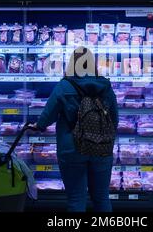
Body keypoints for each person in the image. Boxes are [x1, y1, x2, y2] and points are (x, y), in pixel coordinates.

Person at [34, 46, 118, 212]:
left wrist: (38, 126)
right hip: (101, 147)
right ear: (92, 64)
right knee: (101, 197)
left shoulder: (64, 86)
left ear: (72, 64)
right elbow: (114, 119)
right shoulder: (105, 86)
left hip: (71, 148)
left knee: (76, 200)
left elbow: (47, 116)